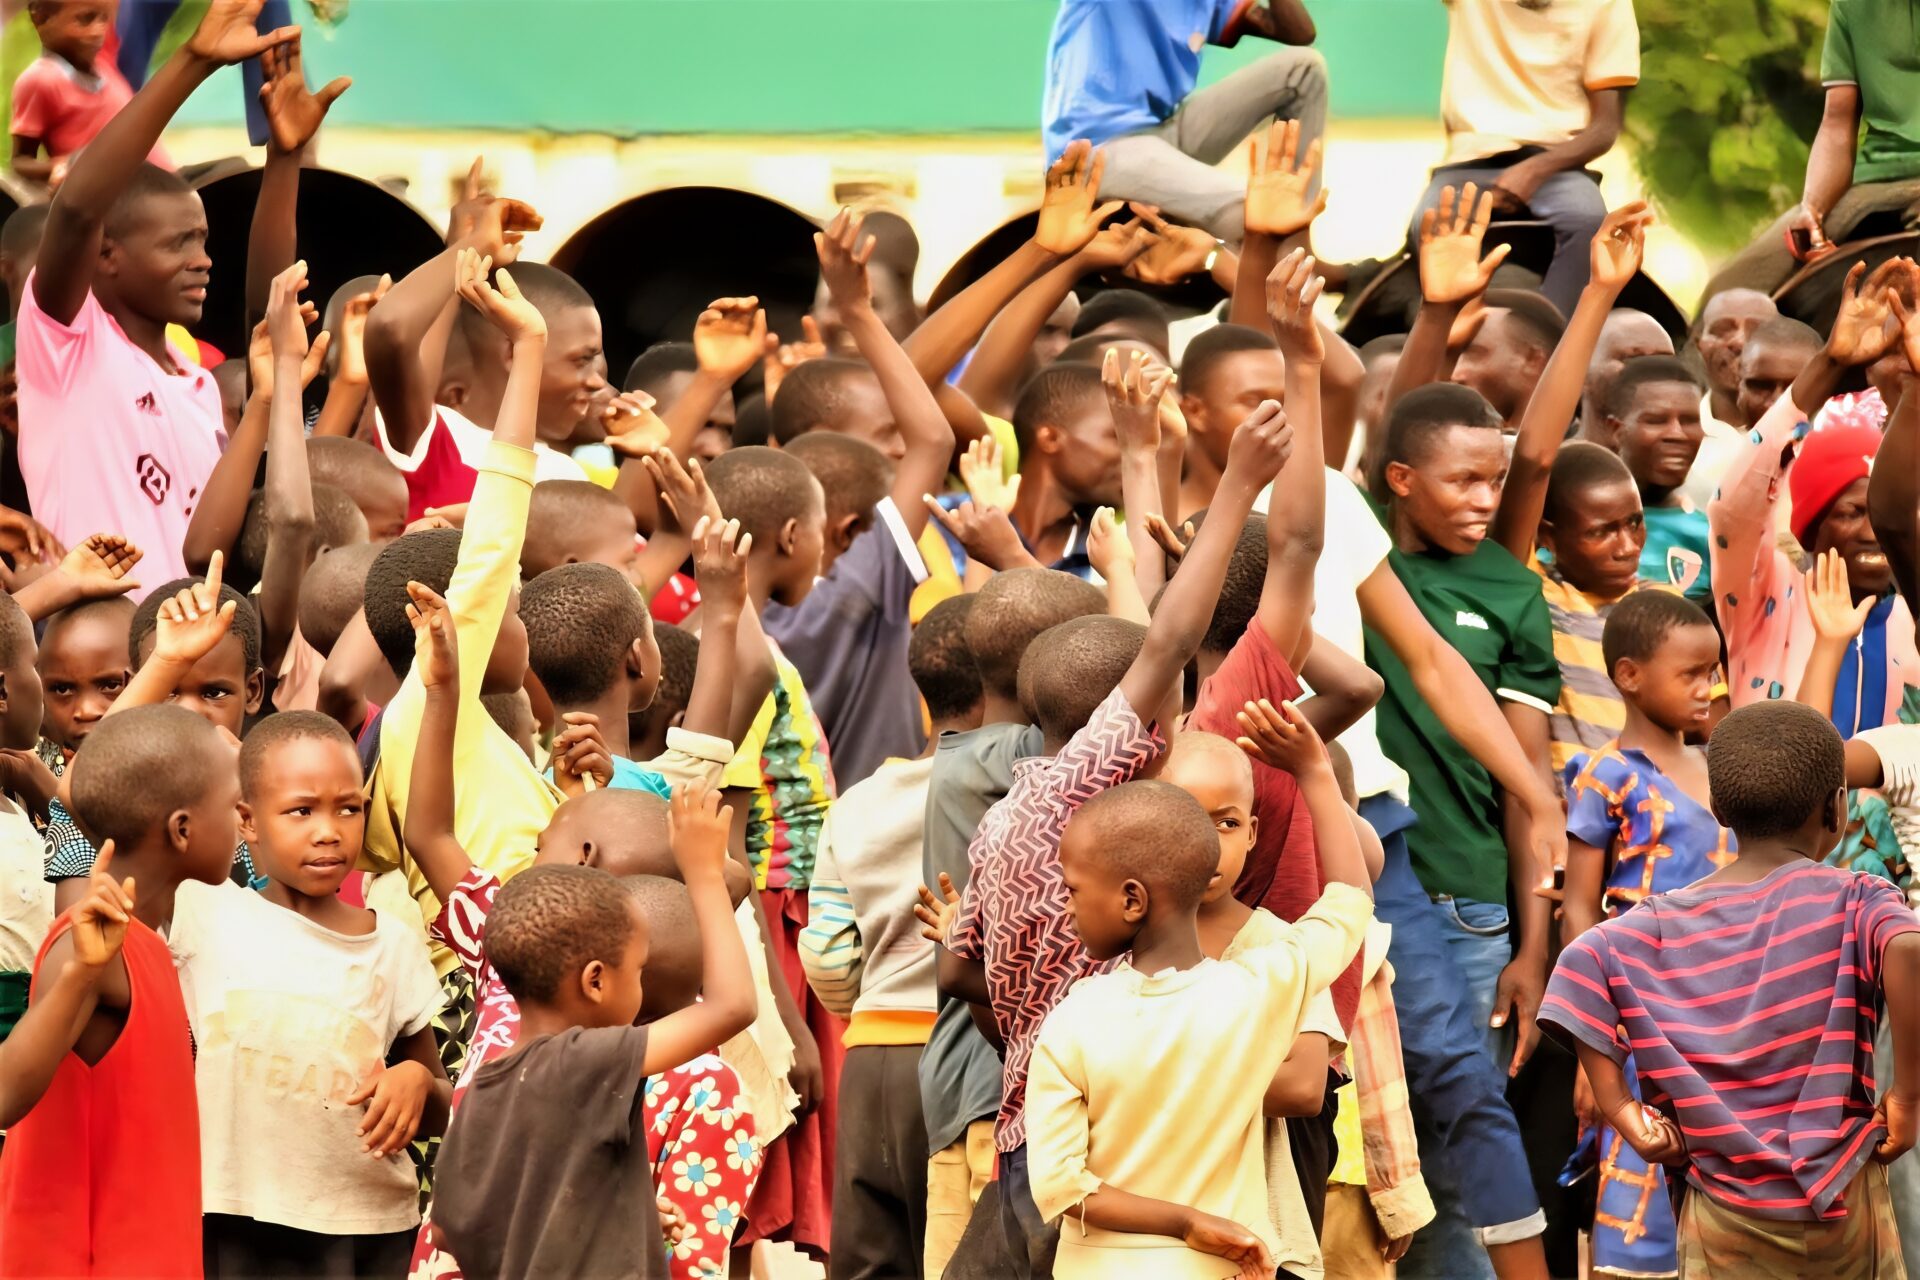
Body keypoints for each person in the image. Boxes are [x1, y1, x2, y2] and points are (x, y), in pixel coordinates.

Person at [940, 394, 1291, 1275]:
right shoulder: (1085, 795)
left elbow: (959, 970)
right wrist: (1237, 485)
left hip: (1029, 1133)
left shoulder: (1005, 820)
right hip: (1116, 1159)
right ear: (1126, 726)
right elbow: (1167, 643)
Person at [1541, 700, 1919, 1278]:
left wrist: (1622, 1110)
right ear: (1837, 807)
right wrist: (1908, 1096)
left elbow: (1578, 965)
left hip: (1719, 1204)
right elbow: (1909, 948)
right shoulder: (1857, 900)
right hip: (1841, 1192)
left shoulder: (1655, 924)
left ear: (1718, 809)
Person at [1023, 768, 1373, 1280]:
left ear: (1132, 900)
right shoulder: (1258, 990)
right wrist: (1316, 772)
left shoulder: (1072, 1020)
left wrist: (1186, 1222)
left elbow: (1059, 1186)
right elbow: (1351, 901)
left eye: (1074, 890)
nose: (1068, 906)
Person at [11, 0, 303, 587]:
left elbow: (267, 316)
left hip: (193, 643)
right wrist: (194, 61)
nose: (203, 261)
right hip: (96, 643)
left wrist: (285, 156)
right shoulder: (67, 347)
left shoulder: (198, 385)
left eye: (203, 241)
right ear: (105, 255)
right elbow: (77, 208)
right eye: (178, 244)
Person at [426, 783, 759, 1279]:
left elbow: (446, 1229)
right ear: (596, 981)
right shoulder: (584, 1060)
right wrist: (705, 875)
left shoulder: (484, 1084)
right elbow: (733, 1006)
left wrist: (612, 1212)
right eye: (639, 969)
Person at [182, 710, 450, 1275]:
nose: (329, 830)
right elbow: (96, 802)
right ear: (247, 821)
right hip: (232, 1214)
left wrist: (417, 1081)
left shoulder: (391, 945)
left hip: (364, 1230)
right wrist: (166, 674)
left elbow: (442, 1108)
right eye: (301, 810)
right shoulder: (202, 914)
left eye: (348, 808)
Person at [0, 704, 238, 1276]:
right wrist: (79, 974)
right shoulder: (92, 950)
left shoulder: (145, 942)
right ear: (182, 829)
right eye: (234, 804)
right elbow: (5, 1093)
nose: (244, 818)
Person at [916, 567, 1103, 1279]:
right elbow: (1130, 672)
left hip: (964, 1079)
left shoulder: (961, 757)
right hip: (998, 1089)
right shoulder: (1019, 759)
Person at [800, 593, 982, 1279]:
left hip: (872, 1057)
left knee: (872, 1258)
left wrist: (866, 1005)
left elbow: (826, 953)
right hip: (963, 1057)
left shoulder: (857, 803)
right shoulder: (1008, 793)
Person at [1558, 589, 1732, 1277]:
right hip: (1640, 1022)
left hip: (1726, 1017)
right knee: (1640, 1179)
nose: (1708, 688)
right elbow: (1579, 914)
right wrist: (1590, 1048)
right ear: (1629, 675)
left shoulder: (1724, 770)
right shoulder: (1606, 775)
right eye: (1690, 673)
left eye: (1712, 672)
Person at [762, 210, 955, 792]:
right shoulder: (863, 583)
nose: (900, 447)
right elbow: (934, 439)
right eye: (887, 434)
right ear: (845, 528)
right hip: (880, 834)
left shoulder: (730, 621)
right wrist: (859, 313)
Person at [1710, 263, 1918, 731]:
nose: (1874, 532)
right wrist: (1830, 361)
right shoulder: (1762, 591)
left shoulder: (1910, 613)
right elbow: (1733, 507)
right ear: (1811, 523)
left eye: (1880, 515)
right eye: (1851, 512)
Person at [1410, 0, 1639, 316]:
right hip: (1469, 159)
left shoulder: (1608, 5)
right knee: (1428, 223)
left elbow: (1605, 128)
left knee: (1589, 222)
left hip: (1559, 161)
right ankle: (1447, 331)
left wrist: (1534, 171)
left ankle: (1551, 335)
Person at [1042, 1, 1325, 242]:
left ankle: (1300, 240)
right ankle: (1296, 269)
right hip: (1097, 150)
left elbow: (1300, 32)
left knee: (1304, 70)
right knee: (1259, 209)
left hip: (1163, 130)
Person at [1698, 0, 1920, 305]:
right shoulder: (1852, 7)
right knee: (1728, 291)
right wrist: (1813, 209)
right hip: (1873, 186)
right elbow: (1837, 121)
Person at [1590, 356, 1714, 606]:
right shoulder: (1577, 524)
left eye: (1689, 421)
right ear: (1616, 429)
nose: (1677, 434)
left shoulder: (1713, 535)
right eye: (1656, 420)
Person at [10, 0, 173, 185]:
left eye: (104, 19)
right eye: (85, 19)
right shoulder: (40, 79)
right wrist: (61, 167)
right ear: (41, 18)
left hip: (163, 183)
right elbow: (21, 160)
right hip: (123, 194)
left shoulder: (103, 63)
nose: (98, 31)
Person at [1678, 289, 1778, 511]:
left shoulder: (1810, 431)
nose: (1740, 342)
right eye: (1722, 330)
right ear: (1699, 344)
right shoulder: (1676, 435)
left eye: (1758, 331)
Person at [1577, 309, 1673, 439]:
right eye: (1632, 358)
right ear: (1582, 371)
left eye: (1664, 361)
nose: (1651, 369)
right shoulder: (1553, 449)